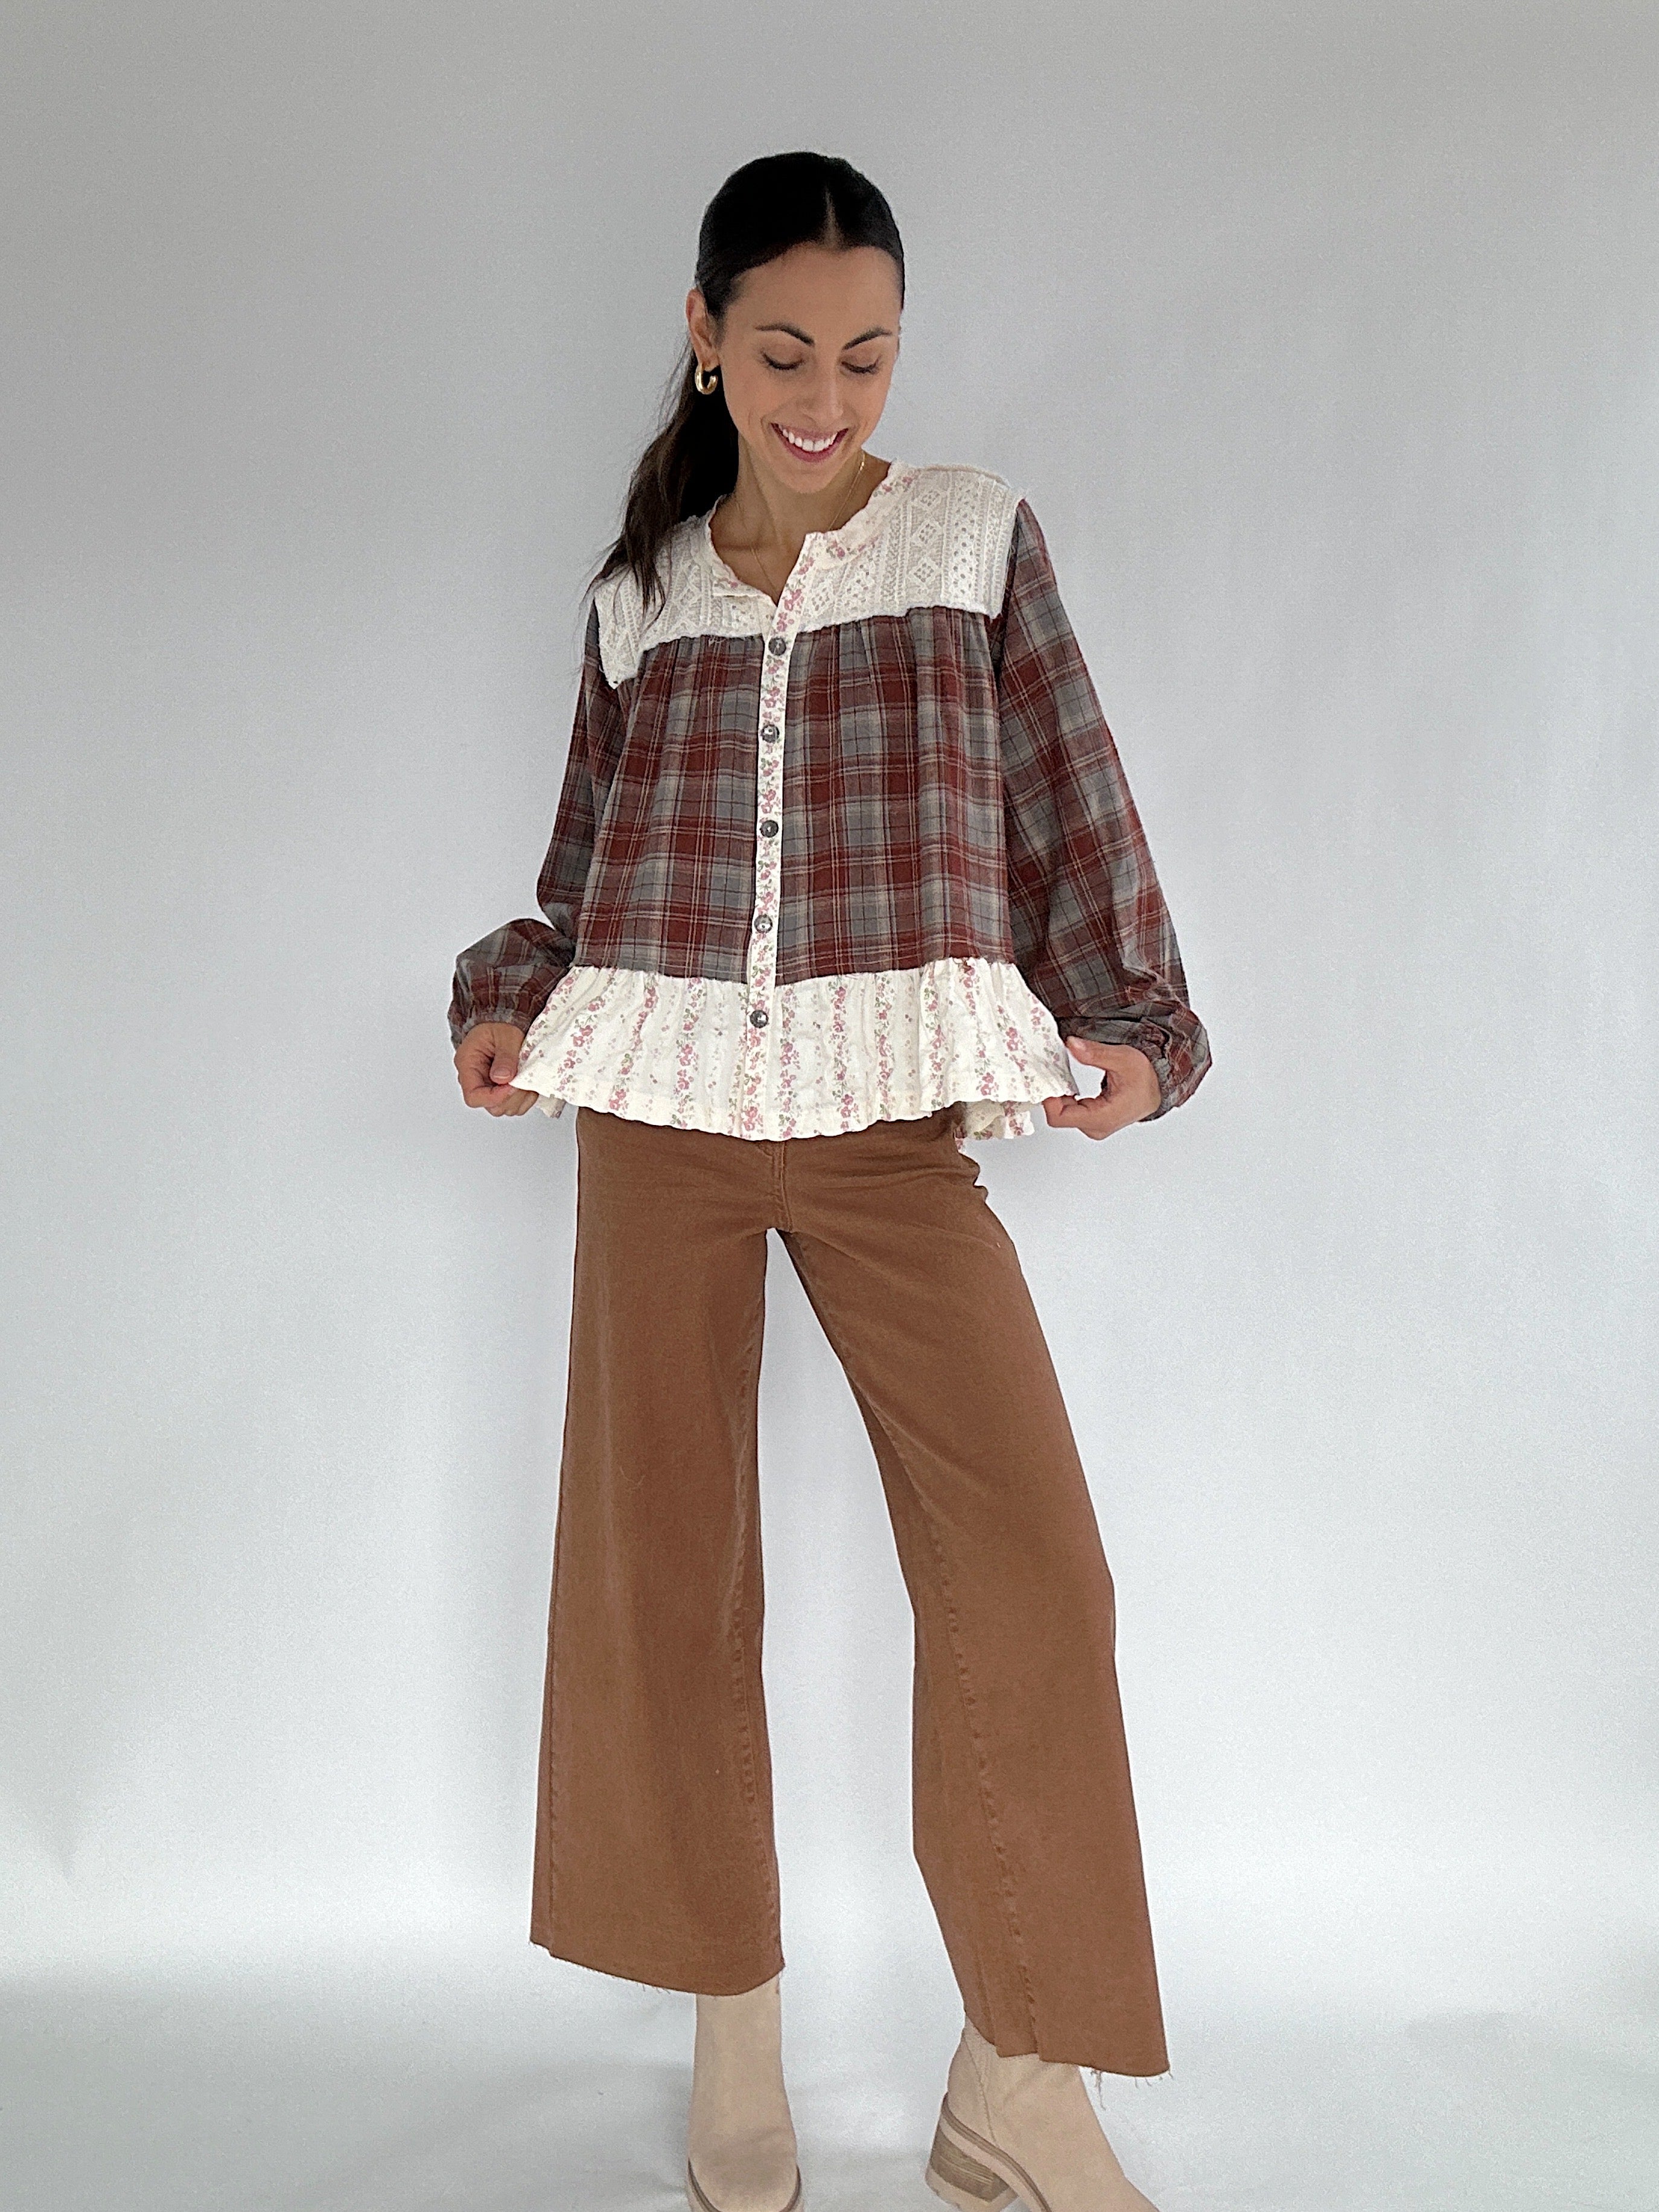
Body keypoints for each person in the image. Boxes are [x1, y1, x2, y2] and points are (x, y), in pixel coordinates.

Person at [448, 150, 1211, 2212]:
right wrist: (515, 1000)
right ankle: (733, 2028)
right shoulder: (641, 598)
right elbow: (578, 869)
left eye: (866, 355)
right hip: (664, 1115)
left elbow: (1068, 788)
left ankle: (1020, 2077)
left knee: (1036, 1563)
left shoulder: (970, 542)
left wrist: (1131, 1017)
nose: (825, 395)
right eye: (782, 350)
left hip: (891, 1125)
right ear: (703, 337)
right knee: (665, 1579)